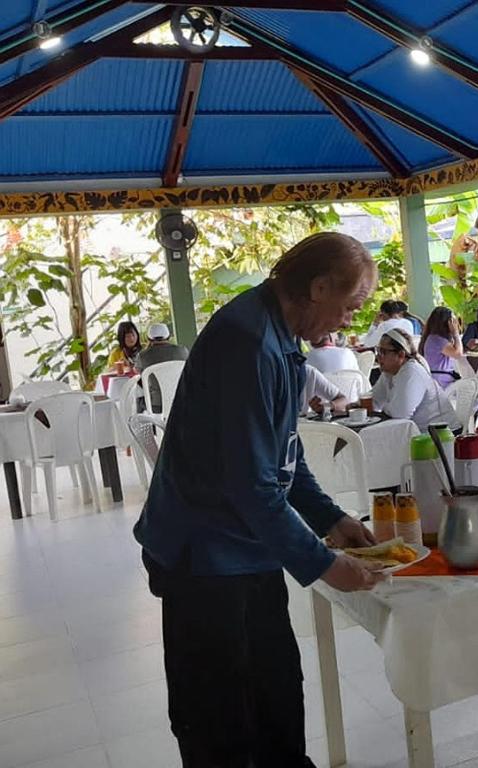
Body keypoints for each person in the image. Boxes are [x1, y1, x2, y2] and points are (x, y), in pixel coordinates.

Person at [133, 232, 383, 766]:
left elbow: (282, 455)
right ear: (317, 288)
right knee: (219, 719)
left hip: (249, 548)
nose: (350, 321)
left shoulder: (280, 334)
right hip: (204, 556)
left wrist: (332, 517)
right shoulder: (246, 342)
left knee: (275, 696)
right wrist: (323, 564)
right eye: (351, 305)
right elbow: (251, 484)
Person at [372, 327, 460, 432]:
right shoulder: (389, 372)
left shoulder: (411, 371)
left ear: (401, 355)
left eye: (383, 352)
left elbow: (399, 415)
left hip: (442, 436)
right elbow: (375, 401)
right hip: (420, 435)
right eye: (378, 350)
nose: (378, 357)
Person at [135, 323, 190, 414]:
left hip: (157, 405)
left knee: (138, 398)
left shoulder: (142, 356)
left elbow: (139, 373)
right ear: (168, 337)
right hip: (181, 400)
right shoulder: (182, 351)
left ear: (149, 338)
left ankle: (142, 426)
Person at [419, 306, 463, 388]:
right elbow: (458, 354)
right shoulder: (437, 340)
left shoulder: (433, 338)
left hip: (440, 380)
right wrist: (455, 334)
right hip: (441, 382)